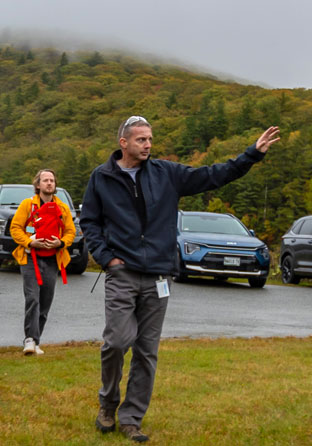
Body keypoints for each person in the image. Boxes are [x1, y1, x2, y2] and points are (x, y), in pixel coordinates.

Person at [81, 116, 280, 442]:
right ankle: (108, 403)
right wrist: (107, 258)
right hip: (122, 273)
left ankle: (132, 419)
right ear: (124, 143)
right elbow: (89, 221)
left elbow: (214, 175)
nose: (148, 144)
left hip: (159, 273)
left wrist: (252, 154)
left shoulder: (166, 173)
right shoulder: (101, 177)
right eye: (141, 140)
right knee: (116, 342)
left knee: (146, 351)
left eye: (150, 139)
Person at [8, 169, 76, 356]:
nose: (49, 183)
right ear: (38, 185)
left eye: (52, 180)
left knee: (45, 301)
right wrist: (30, 242)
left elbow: (71, 232)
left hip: (53, 259)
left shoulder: (62, 208)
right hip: (30, 258)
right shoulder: (27, 205)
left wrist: (61, 242)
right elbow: (15, 228)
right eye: (45, 180)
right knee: (32, 298)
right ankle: (29, 339)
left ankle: (36, 341)